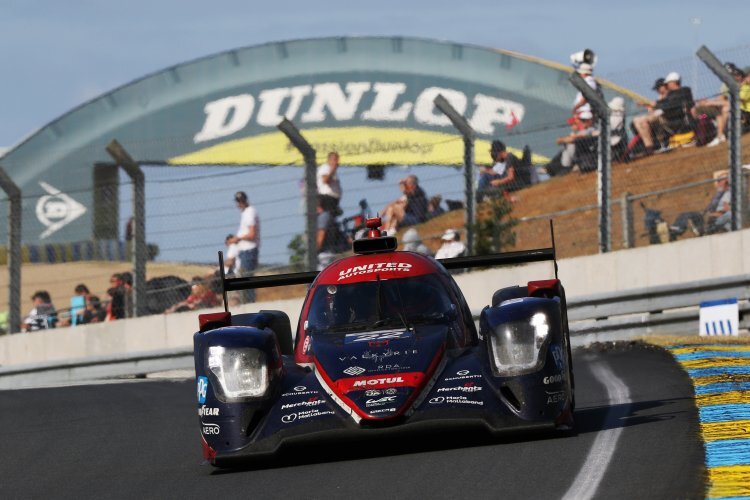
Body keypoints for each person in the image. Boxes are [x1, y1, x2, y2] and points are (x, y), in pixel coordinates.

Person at [670, 170, 732, 238]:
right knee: (686, 215)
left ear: (727, 181)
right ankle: (675, 231)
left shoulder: (729, 193)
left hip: (717, 219)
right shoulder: (718, 194)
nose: (718, 182)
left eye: (720, 180)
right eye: (718, 180)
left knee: (727, 215)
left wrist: (717, 213)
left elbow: (727, 209)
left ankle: (706, 230)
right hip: (707, 218)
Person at [227, 191, 260, 302]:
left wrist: (237, 239)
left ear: (244, 201)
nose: (239, 204)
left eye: (240, 201)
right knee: (244, 278)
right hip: (245, 251)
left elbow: (252, 234)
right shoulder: (246, 212)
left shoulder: (250, 212)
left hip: (248, 251)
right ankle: (247, 301)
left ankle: (250, 303)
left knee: (247, 279)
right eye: (238, 201)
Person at [545, 111, 598, 176]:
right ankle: (549, 168)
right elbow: (559, 141)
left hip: (584, 156)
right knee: (562, 153)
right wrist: (566, 139)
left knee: (568, 147)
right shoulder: (581, 131)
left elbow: (575, 138)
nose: (582, 122)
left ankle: (558, 168)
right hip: (577, 157)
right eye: (582, 120)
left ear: (589, 121)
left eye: (583, 121)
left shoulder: (592, 129)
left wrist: (568, 139)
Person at [631, 77, 670, 154]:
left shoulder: (670, 95)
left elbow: (661, 107)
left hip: (665, 118)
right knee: (637, 120)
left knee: (643, 120)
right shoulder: (660, 97)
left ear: (664, 86)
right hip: (657, 117)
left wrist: (646, 104)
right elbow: (655, 107)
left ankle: (650, 147)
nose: (657, 90)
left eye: (658, 88)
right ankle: (649, 146)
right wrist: (649, 107)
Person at [316, 195, 349, 270]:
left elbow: (321, 237)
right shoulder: (328, 216)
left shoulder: (323, 217)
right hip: (330, 252)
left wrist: (313, 251)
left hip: (325, 254)